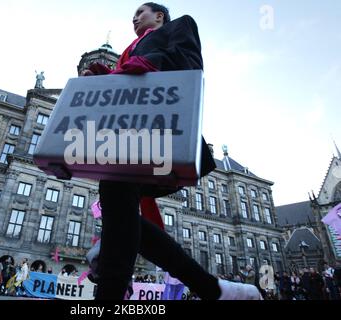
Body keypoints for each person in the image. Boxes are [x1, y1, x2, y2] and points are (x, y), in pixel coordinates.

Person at [80, 3, 262, 300]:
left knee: (116, 201)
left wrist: (145, 64)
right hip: (126, 134)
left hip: (161, 134)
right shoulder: (128, 50)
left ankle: (110, 294)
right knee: (119, 208)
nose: (135, 17)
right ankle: (212, 288)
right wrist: (107, 77)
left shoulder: (179, 27)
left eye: (141, 11)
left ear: (160, 16)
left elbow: (189, 65)